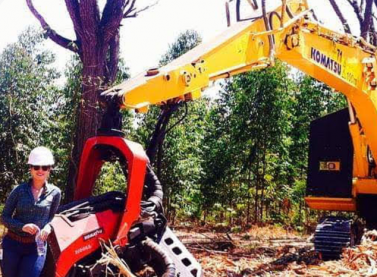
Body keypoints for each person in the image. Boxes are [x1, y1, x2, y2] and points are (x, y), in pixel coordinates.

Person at [1, 146, 61, 277]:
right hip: (13, 245)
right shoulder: (19, 190)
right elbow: (4, 217)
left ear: (49, 169)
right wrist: (22, 227)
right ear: (31, 168)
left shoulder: (55, 193)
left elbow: (52, 218)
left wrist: (47, 227)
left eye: (44, 167)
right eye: (36, 167)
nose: (40, 170)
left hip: (35, 248)